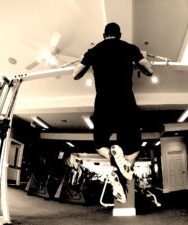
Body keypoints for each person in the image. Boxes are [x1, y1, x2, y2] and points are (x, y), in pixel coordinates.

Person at [72, 22, 153, 203]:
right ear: (120, 34)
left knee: (100, 144)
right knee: (134, 148)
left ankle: (113, 159)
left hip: (103, 103)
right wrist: (139, 61)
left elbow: (75, 75)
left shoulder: (94, 51)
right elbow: (149, 70)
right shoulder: (129, 48)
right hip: (125, 102)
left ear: (104, 35)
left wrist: (86, 62)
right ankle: (121, 168)